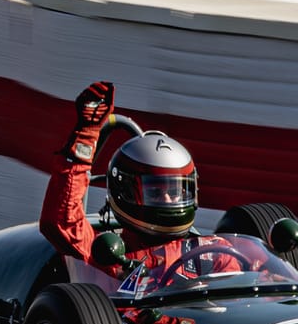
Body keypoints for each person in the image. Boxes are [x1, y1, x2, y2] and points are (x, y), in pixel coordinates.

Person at [39, 80, 245, 290]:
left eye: (175, 192)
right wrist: (86, 135)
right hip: (111, 322)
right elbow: (62, 222)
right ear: (126, 193)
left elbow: (242, 309)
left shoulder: (214, 254)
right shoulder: (104, 253)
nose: (168, 200)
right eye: (156, 192)